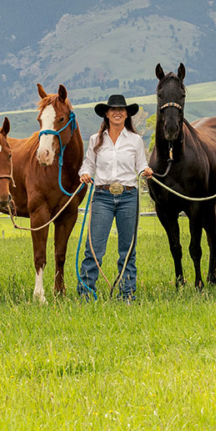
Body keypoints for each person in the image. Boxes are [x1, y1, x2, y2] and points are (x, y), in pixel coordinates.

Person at [78, 94, 152, 301]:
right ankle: (86, 294)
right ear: (107, 114)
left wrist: (145, 170)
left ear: (127, 114)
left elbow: (141, 164)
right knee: (94, 248)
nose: (117, 112)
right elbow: (88, 165)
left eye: (121, 109)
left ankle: (126, 294)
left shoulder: (135, 140)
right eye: (113, 109)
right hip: (102, 196)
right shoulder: (95, 140)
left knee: (128, 249)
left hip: (128, 196)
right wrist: (85, 173)